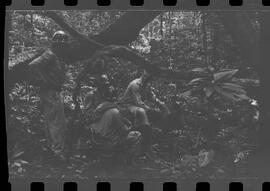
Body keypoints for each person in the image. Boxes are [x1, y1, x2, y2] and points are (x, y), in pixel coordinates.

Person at [28, 31, 71, 161]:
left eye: (63, 43)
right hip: (51, 91)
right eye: (59, 43)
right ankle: (58, 151)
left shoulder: (56, 56)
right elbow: (33, 65)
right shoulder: (50, 54)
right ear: (55, 43)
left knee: (51, 121)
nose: (61, 45)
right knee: (57, 123)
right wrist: (44, 82)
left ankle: (52, 148)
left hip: (52, 91)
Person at [118, 70, 153, 155]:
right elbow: (138, 102)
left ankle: (147, 139)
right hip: (126, 105)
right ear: (142, 74)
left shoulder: (147, 85)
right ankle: (146, 146)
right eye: (144, 76)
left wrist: (161, 105)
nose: (145, 78)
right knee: (142, 112)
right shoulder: (135, 84)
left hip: (135, 105)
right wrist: (149, 109)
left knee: (150, 113)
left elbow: (152, 96)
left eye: (147, 77)